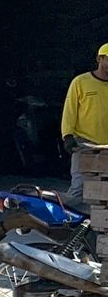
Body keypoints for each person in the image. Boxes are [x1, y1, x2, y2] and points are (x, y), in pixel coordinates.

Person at [62, 43, 108, 206]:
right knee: (79, 188)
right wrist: (67, 136)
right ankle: (65, 226)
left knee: (103, 191)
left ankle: (97, 227)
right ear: (99, 59)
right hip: (85, 143)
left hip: (107, 147)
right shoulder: (81, 82)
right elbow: (70, 110)